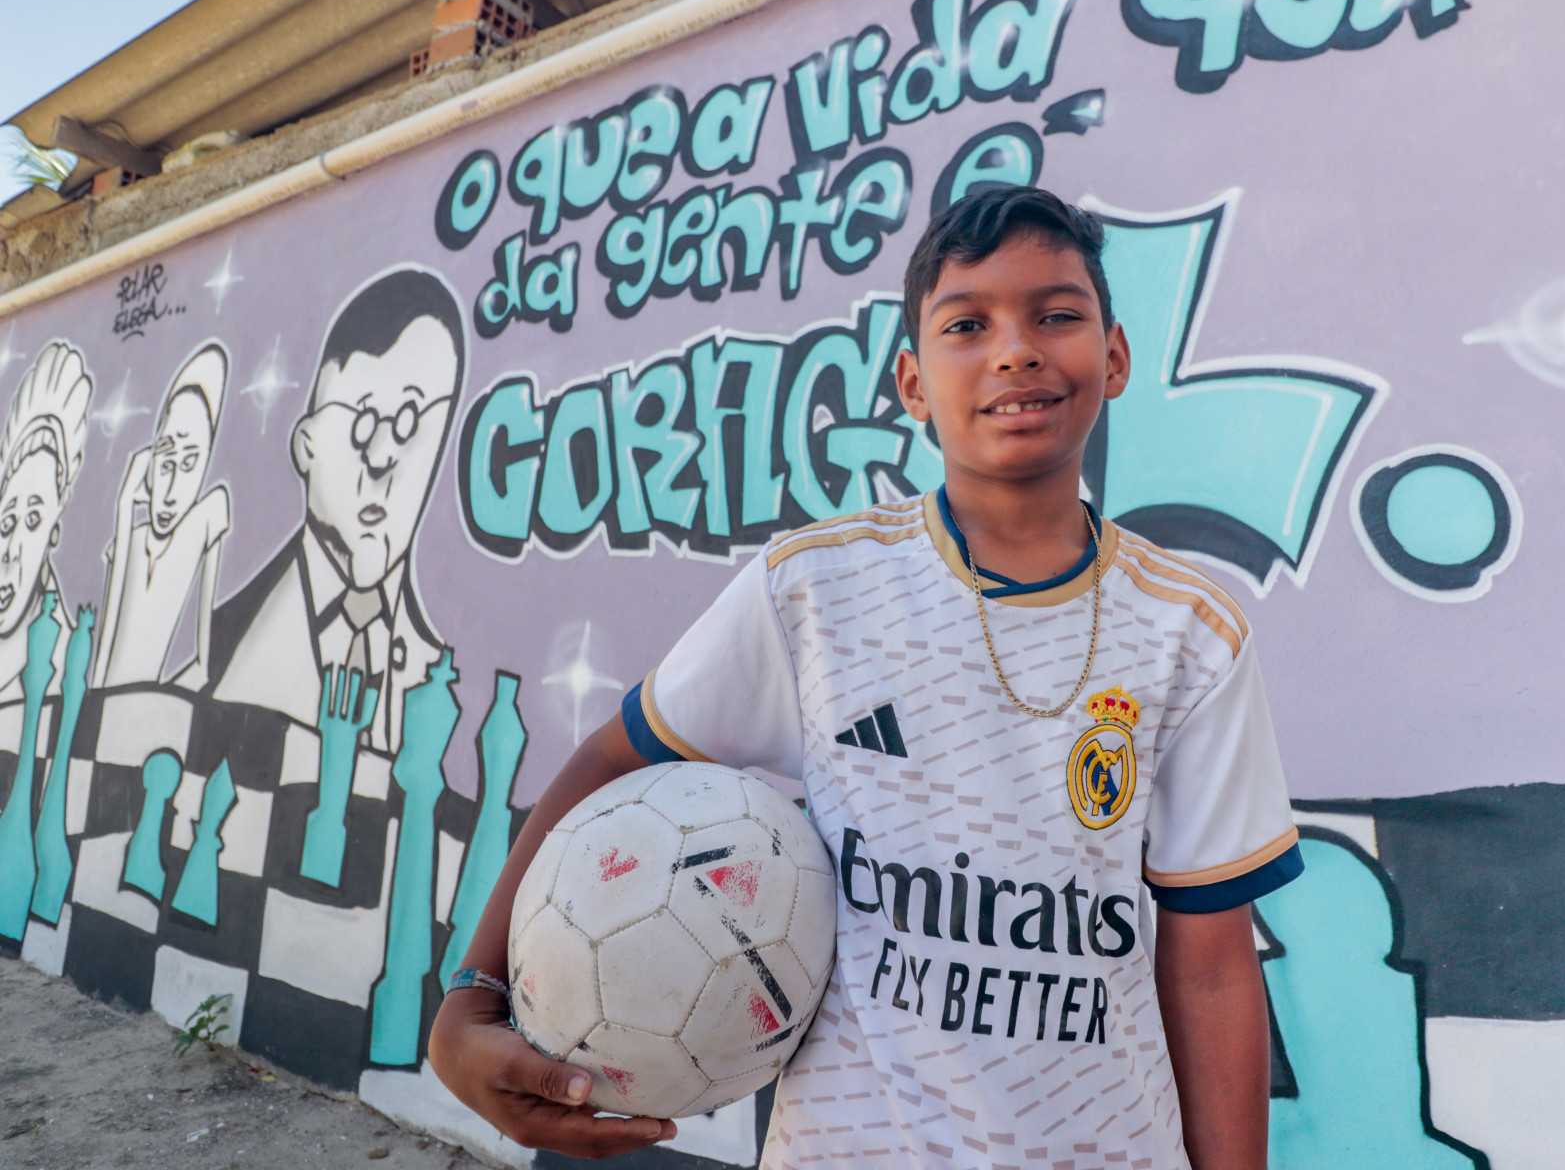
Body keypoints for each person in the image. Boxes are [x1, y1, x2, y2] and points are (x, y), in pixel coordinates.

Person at [429, 188, 1301, 1169]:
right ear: (914, 383)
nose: (1015, 349)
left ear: (1114, 357)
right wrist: (472, 994)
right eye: (967, 324)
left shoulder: (1191, 628)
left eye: (1056, 314)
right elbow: (607, 758)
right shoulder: (815, 588)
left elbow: (1213, 965)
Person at [207, 267, 465, 753]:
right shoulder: (217, 646)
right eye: (364, 422)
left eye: (411, 422)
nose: (384, 456)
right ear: (308, 443)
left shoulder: (442, 676)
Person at [94, 343, 232, 689]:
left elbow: (205, 666)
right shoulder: (130, 539)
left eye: (190, 463)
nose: (170, 491)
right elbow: (103, 658)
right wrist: (125, 507)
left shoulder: (208, 515)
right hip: (100, 716)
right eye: (166, 461)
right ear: (149, 460)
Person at [0, 341, 91, 704]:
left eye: (33, 521)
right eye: (7, 523)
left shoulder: (63, 667)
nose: (11, 551)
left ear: (55, 533)